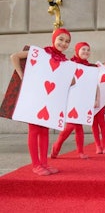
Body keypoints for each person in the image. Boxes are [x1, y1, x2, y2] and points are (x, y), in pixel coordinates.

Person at [10, 28, 73, 176]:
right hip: (35, 98)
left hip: (49, 100)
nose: (64, 43)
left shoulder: (65, 62)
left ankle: (44, 163)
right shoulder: (41, 53)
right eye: (61, 39)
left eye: (67, 41)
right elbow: (15, 56)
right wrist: (22, 76)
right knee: (34, 130)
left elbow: (72, 80)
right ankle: (36, 165)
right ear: (54, 39)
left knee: (44, 131)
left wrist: (66, 78)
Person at [51, 42, 98, 160]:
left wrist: (96, 99)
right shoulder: (69, 64)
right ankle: (56, 147)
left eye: (88, 50)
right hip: (70, 99)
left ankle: (80, 151)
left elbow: (95, 85)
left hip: (83, 99)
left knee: (79, 126)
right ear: (77, 51)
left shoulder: (91, 68)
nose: (86, 52)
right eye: (83, 49)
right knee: (70, 126)